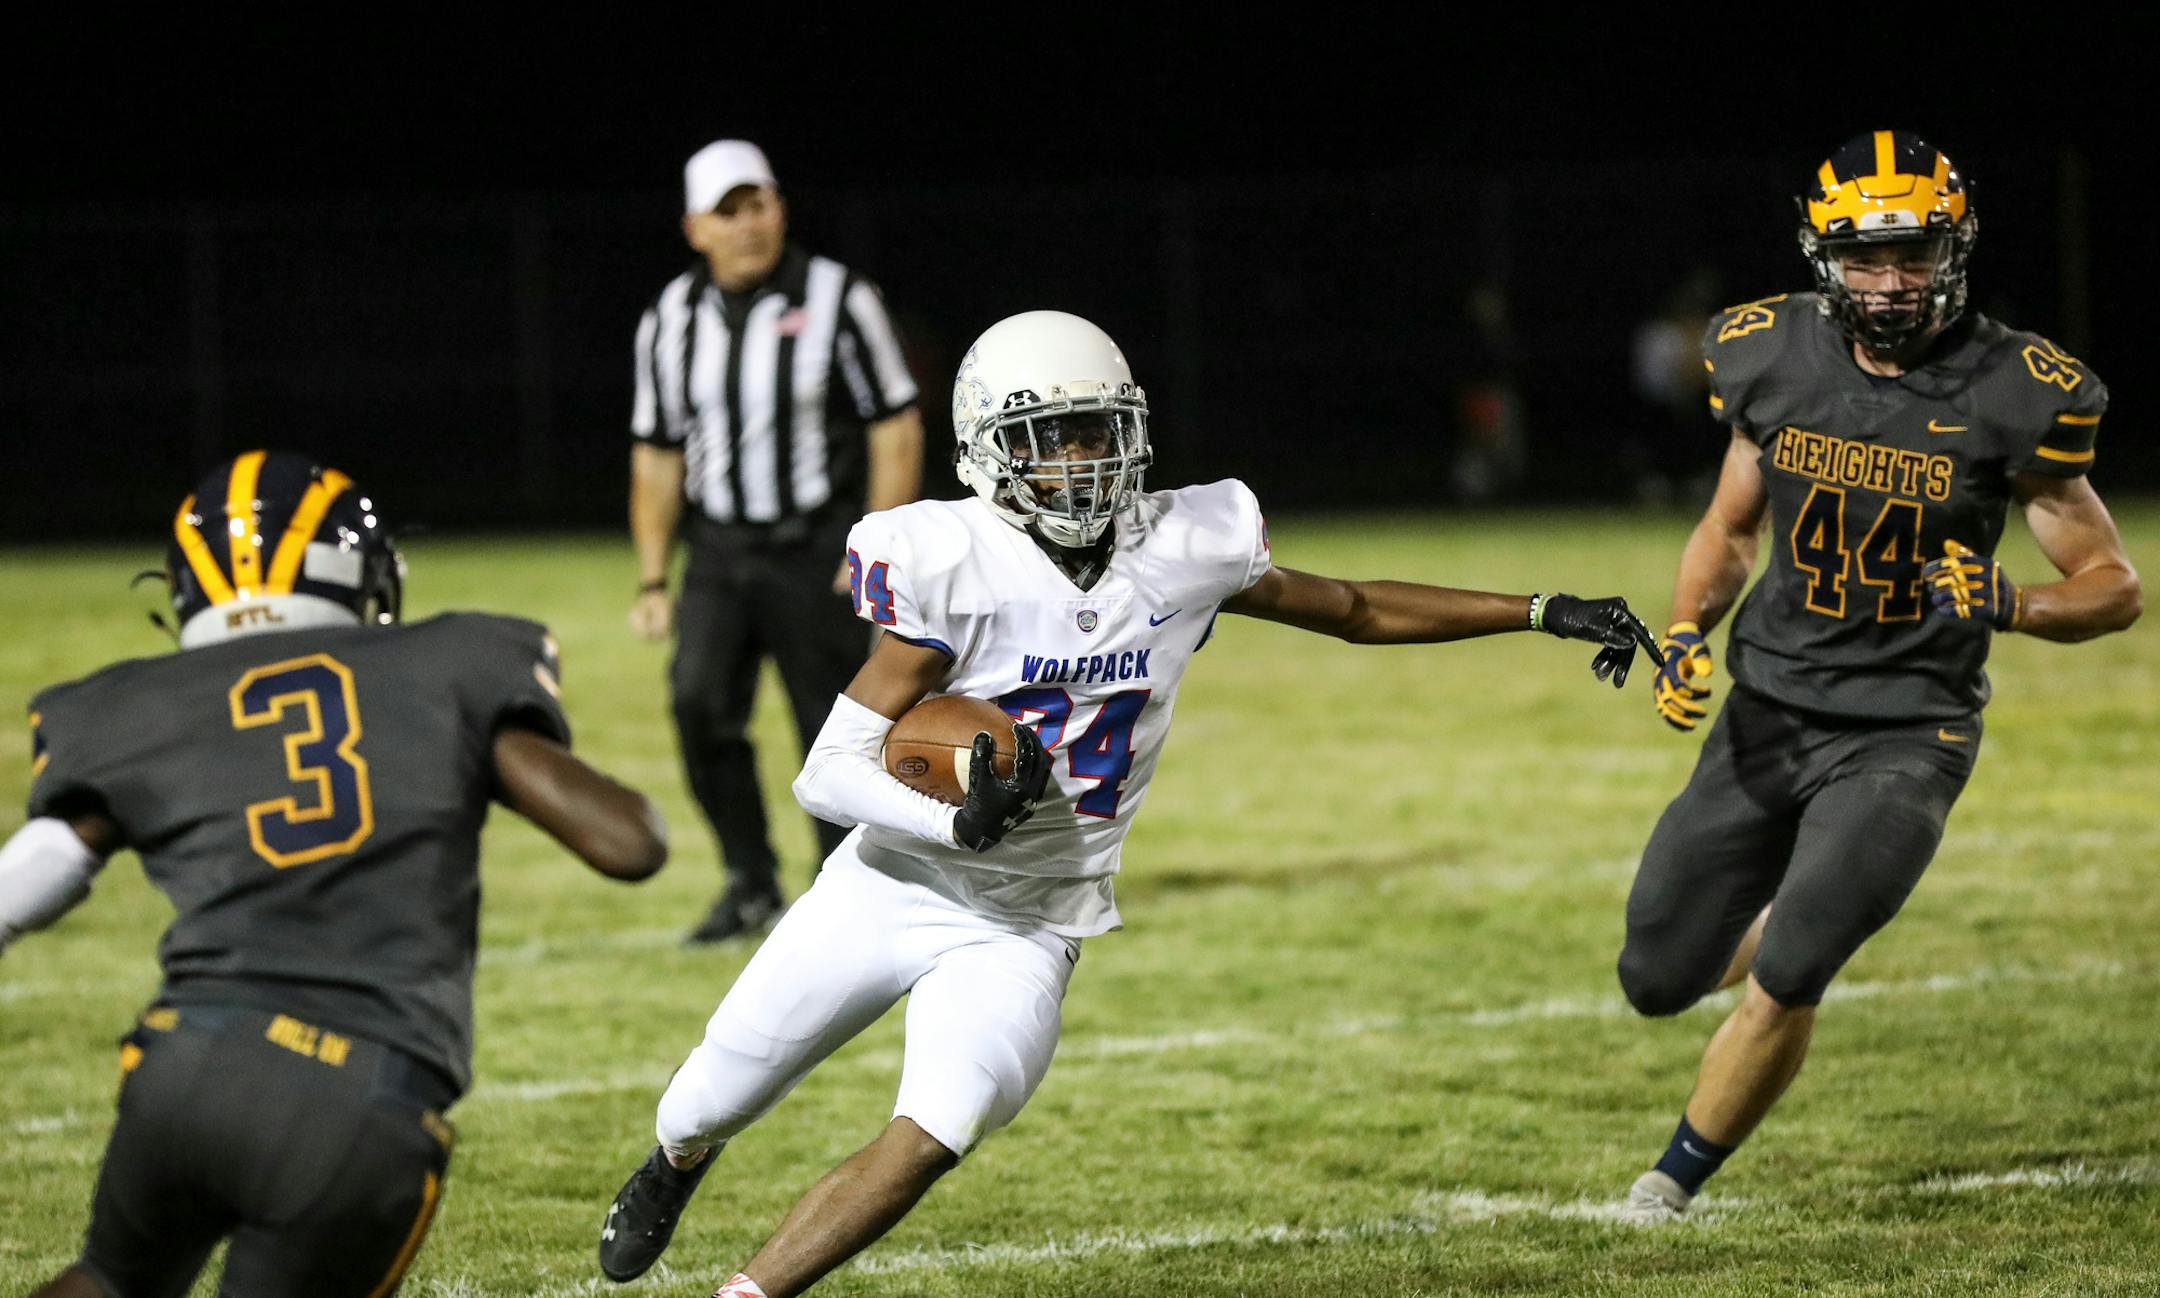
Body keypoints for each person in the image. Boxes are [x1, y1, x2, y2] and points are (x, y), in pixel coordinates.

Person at [596, 310, 1662, 1297]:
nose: (1078, 459)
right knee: (703, 1099)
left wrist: (1540, 608)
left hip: (1031, 920)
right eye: (1049, 436)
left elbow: (1355, 605)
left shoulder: (1188, 542)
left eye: (1095, 431)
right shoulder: (952, 559)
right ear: (986, 448)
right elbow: (828, 766)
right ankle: (678, 1161)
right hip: (890, 882)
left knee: (940, 1121)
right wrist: (954, 819)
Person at [1619, 132, 2141, 1221]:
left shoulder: (2016, 388)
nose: (1893, 281)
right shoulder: (1766, 353)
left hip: (1909, 730)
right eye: (1868, 257)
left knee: (1794, 966)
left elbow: (2114, 582)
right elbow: (1727, 526)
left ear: (1954, 251)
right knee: (1657, 974)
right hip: (1769, 709)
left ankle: (1666, 1186)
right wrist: (1683, 628)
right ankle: (1777, 919)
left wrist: (2019, 604)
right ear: (1824, 257)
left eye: (1915, 255)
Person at [3, 450, 669, 1298]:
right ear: (357, 572)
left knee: (109, 1277)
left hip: (183, 1064)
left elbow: (39, 870)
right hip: (355, 1096)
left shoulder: (135, 704)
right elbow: (629, 845)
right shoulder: (446, 666)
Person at [629, 138, 925, 946]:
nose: (747, 224)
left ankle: (847, 891)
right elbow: (656, 449)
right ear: (696, 227)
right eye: (727, 211)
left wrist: (874, 545)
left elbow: (893, 422)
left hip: (816, 547)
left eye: (756, 203)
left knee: (835, 726)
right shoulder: (670, 318)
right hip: (720, 553)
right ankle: (748, 878)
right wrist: (653, 578)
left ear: (779, 207)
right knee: (697, 705)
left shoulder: (837, 296)